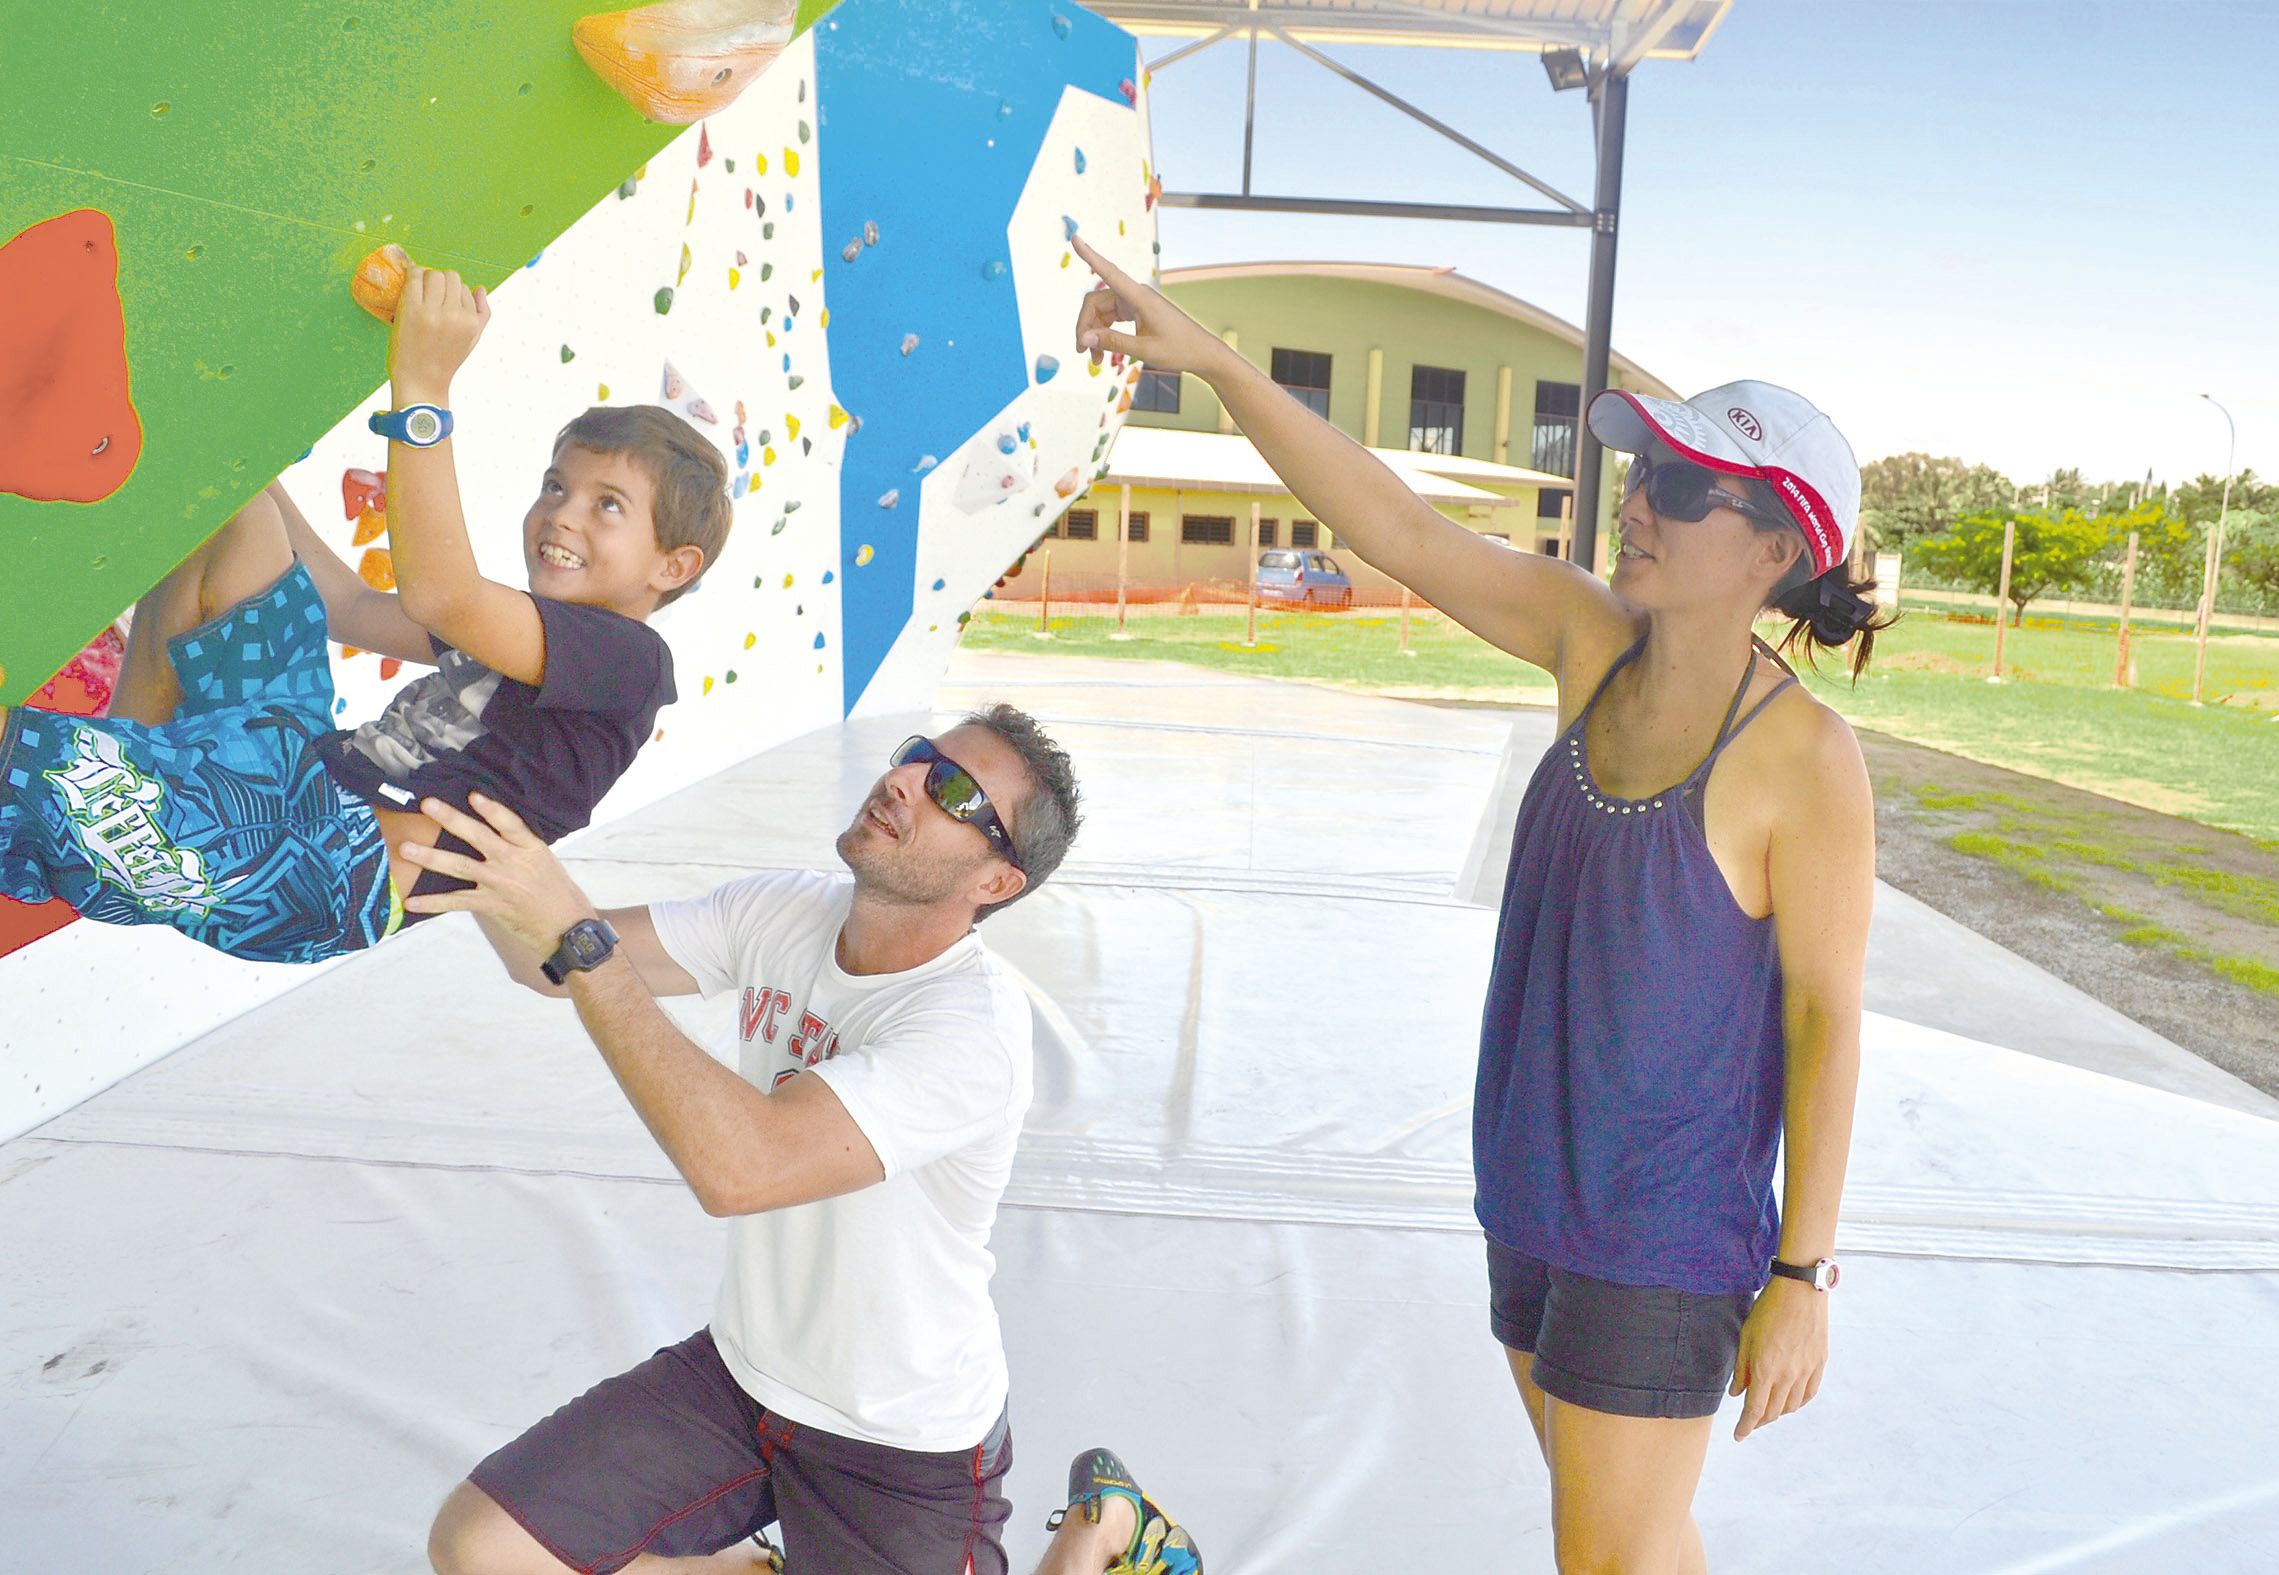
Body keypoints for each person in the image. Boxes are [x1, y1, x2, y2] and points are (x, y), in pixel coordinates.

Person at [1071, 235, 1882, 1573]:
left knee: (1604, 1554)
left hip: (1659, 1230)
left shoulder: (1804, 758)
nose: (1635, 502)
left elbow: (1824, 1018)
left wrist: (1799, 1276)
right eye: (1638, 473)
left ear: (1775, 545)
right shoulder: (1584, 641)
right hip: (1527, 1191)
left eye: (1679, 486)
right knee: (1632, 1539)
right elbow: (1388, 522)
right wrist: (1216, 361)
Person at [409, 707, 1200, 1575]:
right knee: (482, 1546)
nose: (903, 780)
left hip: (899, 1442)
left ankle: (1104, 1528)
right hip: (740, 1376)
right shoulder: (782, 909)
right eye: (917, 758)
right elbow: (546, 960)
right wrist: (460, 824)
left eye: (952, 791)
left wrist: (582, 943)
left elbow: (740, 1167)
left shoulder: (971, 1033)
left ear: (997, 882)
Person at [0, 257, 730, 964]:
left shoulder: (628, 664)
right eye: (555, 486)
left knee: (22, 751)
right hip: (298, 770)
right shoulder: (522, 626)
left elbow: (441, 592)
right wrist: (234, 453)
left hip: (327, 865)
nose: (562, 514)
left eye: (608, 505)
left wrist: (422, 387)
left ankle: (105, 811)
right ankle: (120, 791)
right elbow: (346, 603)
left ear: (673, 566)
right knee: (234, 518)